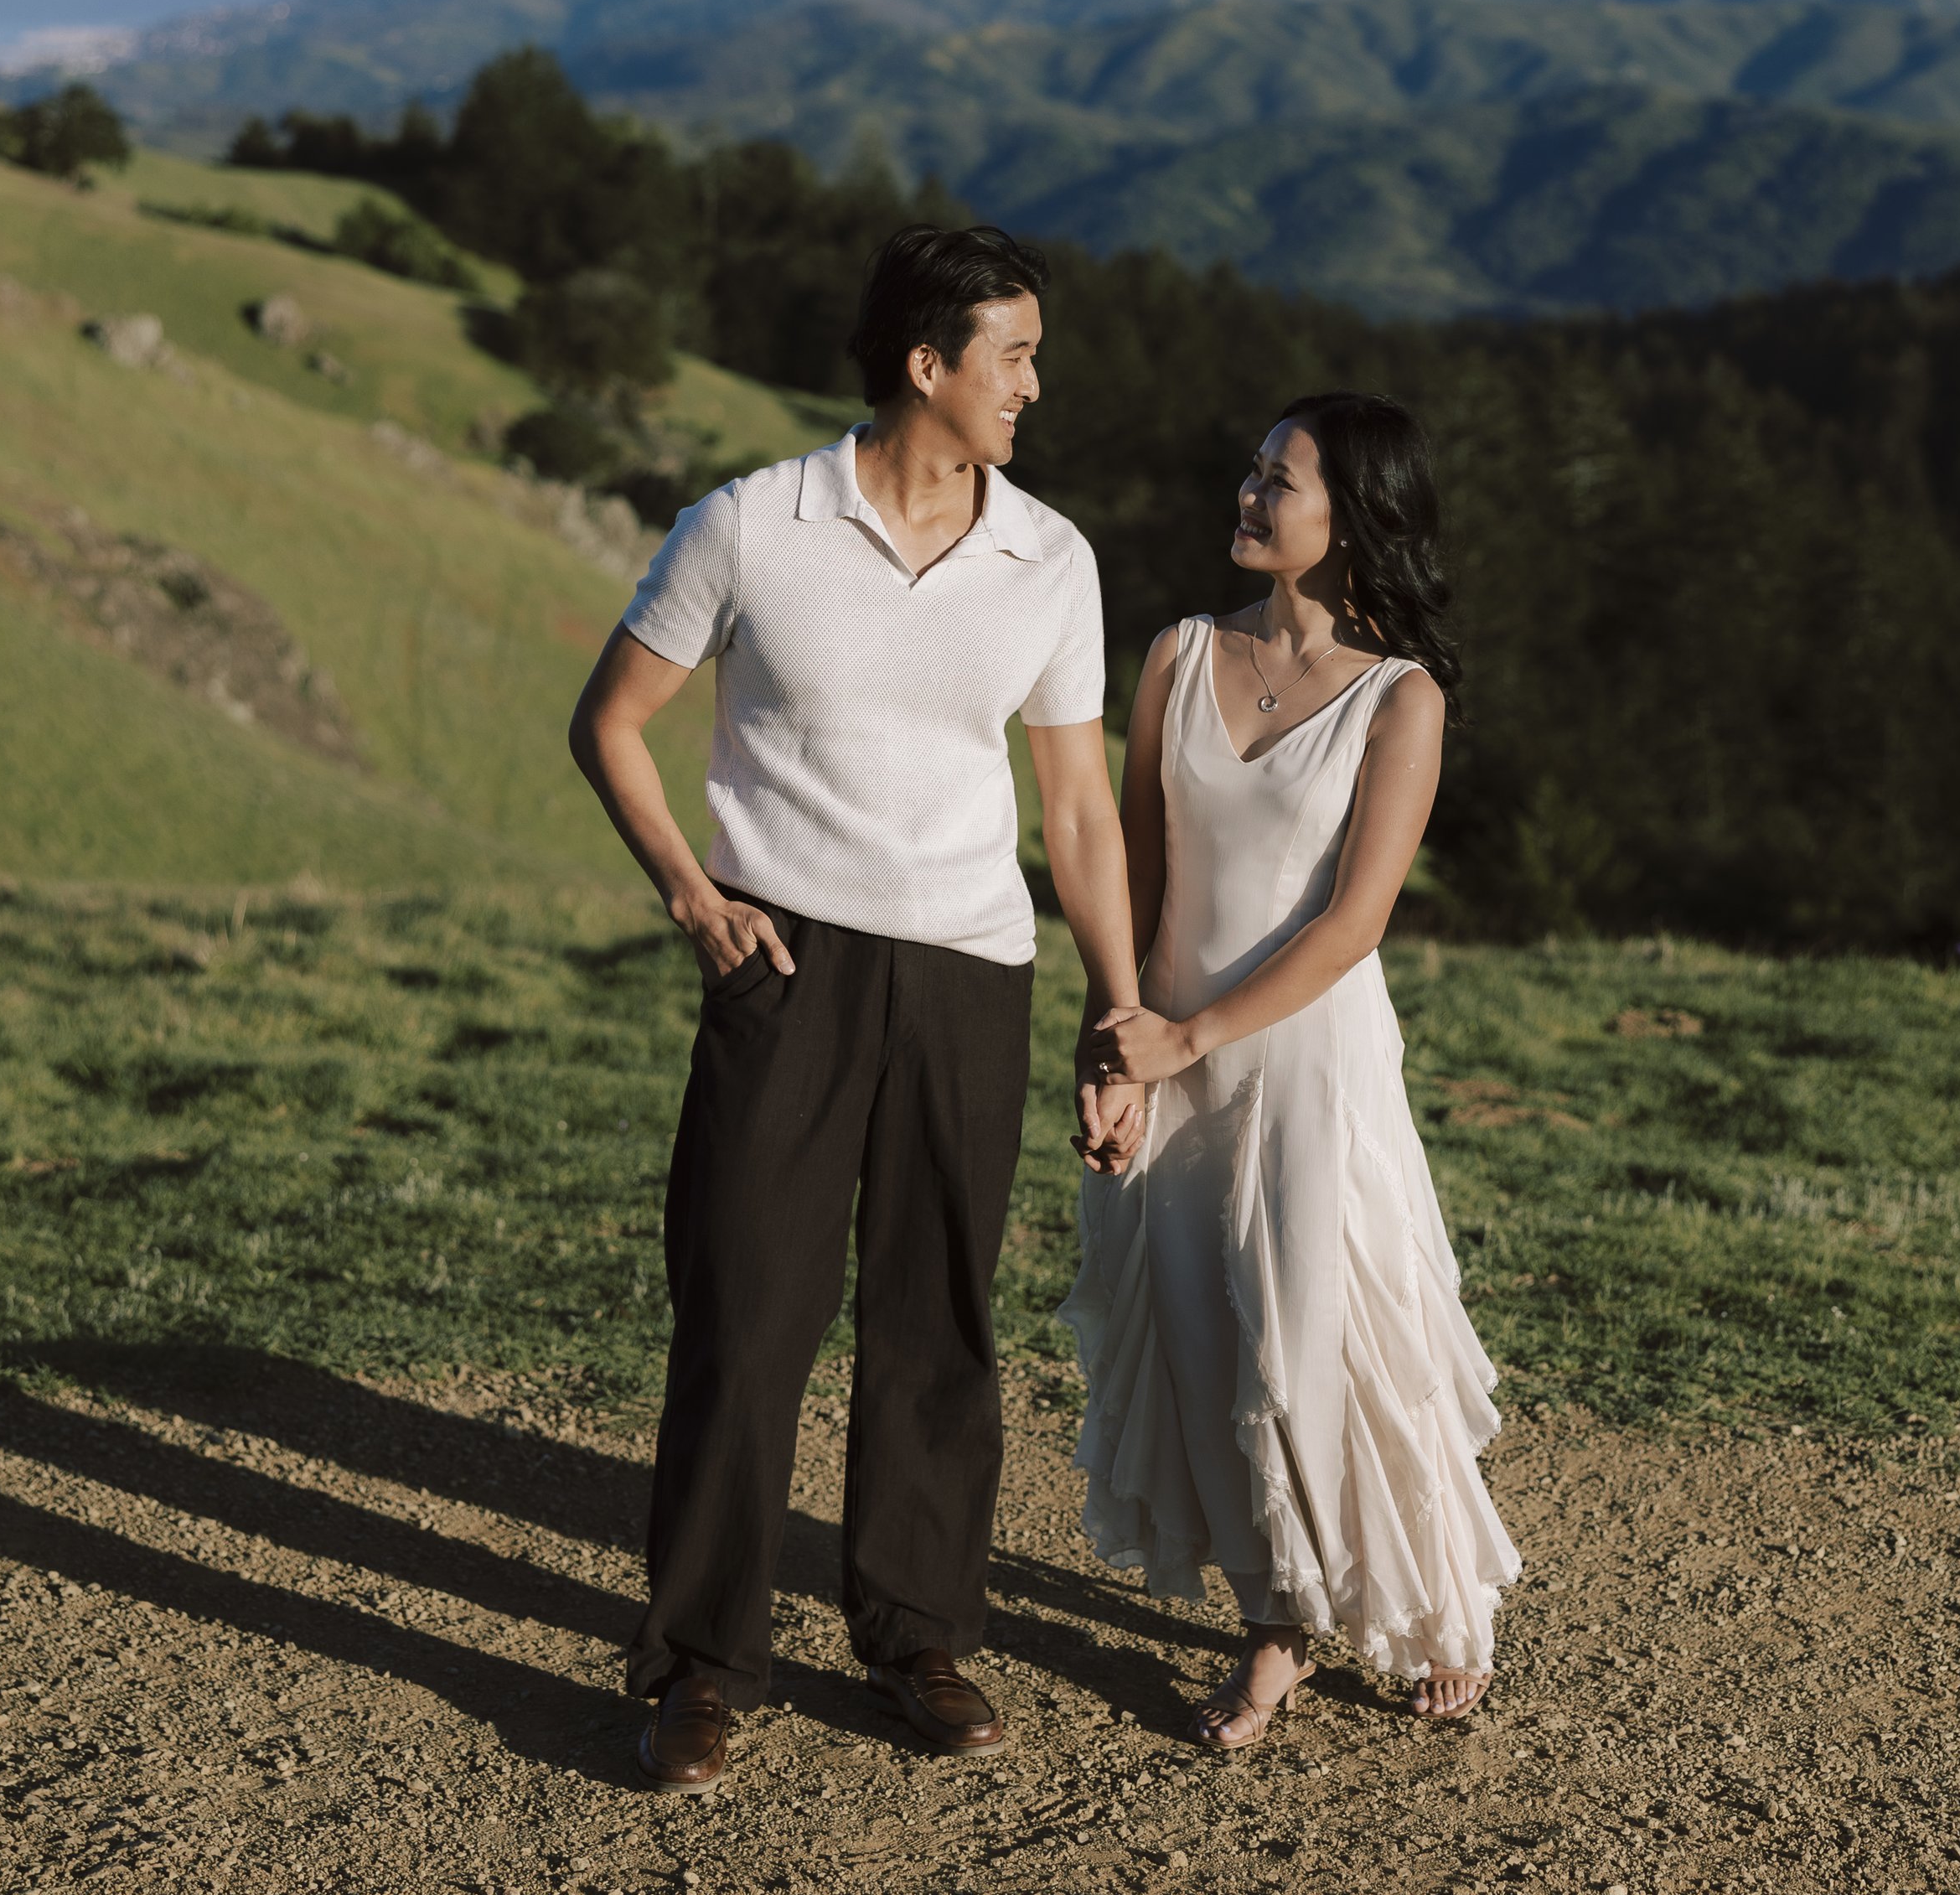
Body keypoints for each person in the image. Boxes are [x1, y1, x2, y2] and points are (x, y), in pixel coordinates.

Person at [569, 225, 1145, 1794]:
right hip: (787, 968)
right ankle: (697, 1665)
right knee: (748, 1313)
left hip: (971, 967)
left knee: (935, 1319)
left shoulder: (1055, 557)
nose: (1038, 380)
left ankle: (918, 1636)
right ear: (927, 363)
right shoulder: (751, 525)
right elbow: (610, 719)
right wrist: (696, 896)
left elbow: (1078, 813)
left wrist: (1123, 1003)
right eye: (1014, 353)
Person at [1063, 391, 1519, 1747]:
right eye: (1253, 469)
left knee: (1326, 1329)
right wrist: (1119, 1038)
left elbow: (1355, 921)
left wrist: (1191, 1035)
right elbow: (1132, 863)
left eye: (1284, 480)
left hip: (1308, 1056)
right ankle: (1277, 1622)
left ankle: (1437, 1598)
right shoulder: (1178, 653)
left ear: (1356, 518)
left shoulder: (1401, 699)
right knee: (1211, 1337)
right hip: (1170, 1044)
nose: (1251, 493)